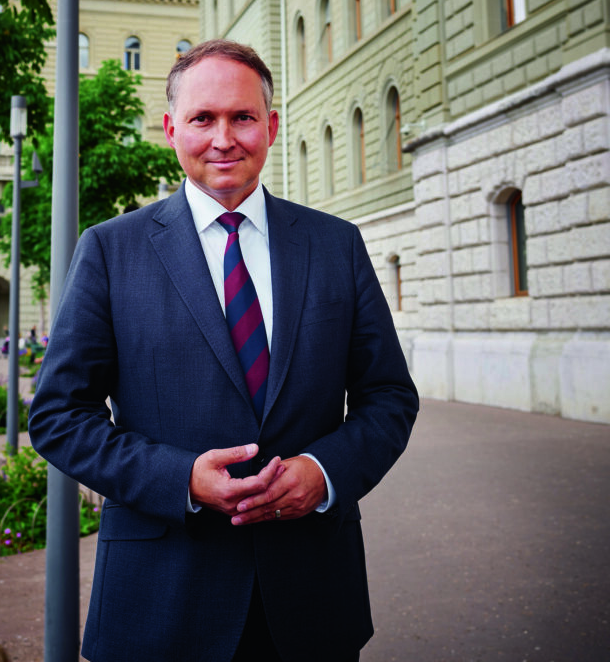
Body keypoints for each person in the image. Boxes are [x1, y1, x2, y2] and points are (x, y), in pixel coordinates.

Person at [29, 39, 419, 662]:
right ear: (171, 129)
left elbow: (389, 397)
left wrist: (322, 473)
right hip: (162, 602)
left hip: (312, 596)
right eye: (202, 118)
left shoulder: (336, 245)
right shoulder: (110, 250)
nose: (223, 138)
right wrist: (180, 478)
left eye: (242, 117)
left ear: (271, 126)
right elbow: (58, 415)